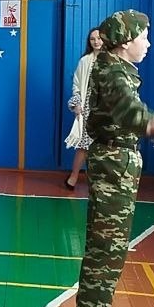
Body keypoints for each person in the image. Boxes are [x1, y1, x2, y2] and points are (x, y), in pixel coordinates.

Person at [68, 10, 154, 307]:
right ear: (126, 41)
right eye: (144, 36)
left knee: (111, 254)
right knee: (105, 254)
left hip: (118, 164)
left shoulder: (116, 68)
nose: (148, 43)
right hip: (113, 165)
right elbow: (129, 110)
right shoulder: (114, 73)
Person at [63, 27, 104, 190]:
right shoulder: (85, 61)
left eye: (99, 38)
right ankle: (73, 177)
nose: (96, 41)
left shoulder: (113, 60)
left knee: (105, 145)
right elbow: (77, 85)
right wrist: (77, 103)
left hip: (107, 107)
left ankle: (100, 181)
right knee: (84, 145)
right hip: (88, 107)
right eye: (92, 39)